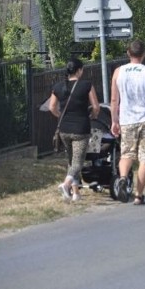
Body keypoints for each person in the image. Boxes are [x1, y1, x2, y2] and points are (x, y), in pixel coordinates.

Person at [110, 39, 145, 205]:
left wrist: (114, 120)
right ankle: (138, 195)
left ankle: (122, 179)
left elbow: (114, 99)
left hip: (127, 120)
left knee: (126, 154)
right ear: (144, 54)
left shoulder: (118, 72)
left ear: (128, 53)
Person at [49, 57, 100, 202]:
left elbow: (52, 107)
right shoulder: (86, 85)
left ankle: (76, 194)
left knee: (72, 161)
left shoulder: (58, 87)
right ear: (79, 71)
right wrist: (93, 115)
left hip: (64, 130)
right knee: (78, 162)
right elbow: (96, 107)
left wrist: (61, 117)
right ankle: (66, 185)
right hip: (80, 129)